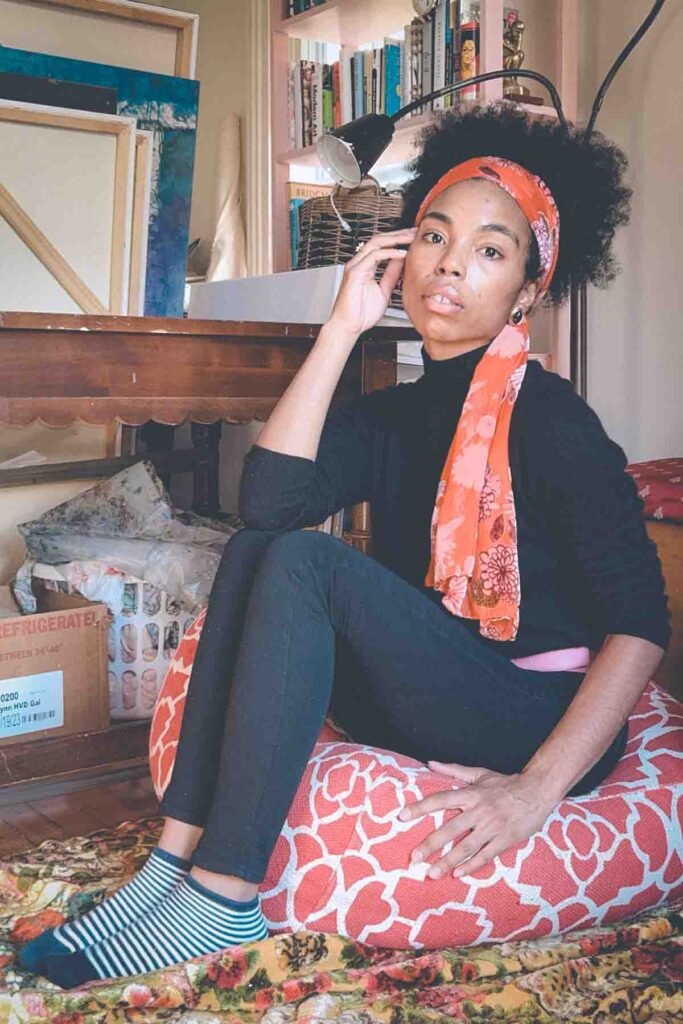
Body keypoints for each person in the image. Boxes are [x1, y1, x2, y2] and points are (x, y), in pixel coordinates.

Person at [21, 103, 670, 989]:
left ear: (526, 290)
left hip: (528, 710)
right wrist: (340, 329)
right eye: (435, 236)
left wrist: (533, 791)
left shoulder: (553, 421)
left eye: (489, 250)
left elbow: (639, 623)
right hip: (429, 683)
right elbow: (271, 498)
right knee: (262, 547)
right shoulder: (396, 413)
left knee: (301, 560)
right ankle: (171, 866)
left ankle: (224, 890)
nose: (449, 264)